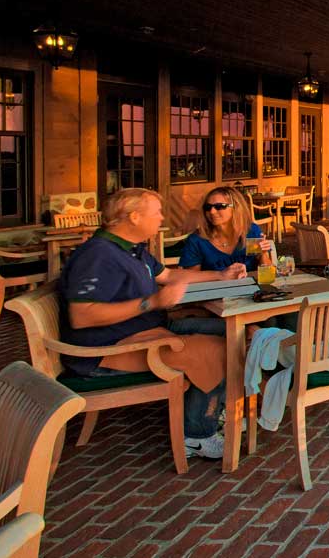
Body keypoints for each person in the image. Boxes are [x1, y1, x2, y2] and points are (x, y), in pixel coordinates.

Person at [59, 188, 242, 459]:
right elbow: (82, 315)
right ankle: (196, 434)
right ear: (134, 217)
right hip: (108, 352)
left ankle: (213, 409)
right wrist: (152, 303)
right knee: (218, 348)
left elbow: (168, 275)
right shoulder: (98, 255)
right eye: (156, 212)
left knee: (236, 332)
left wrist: (220, 275)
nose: (161, 217)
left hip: (145, 331)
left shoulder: (131, 249)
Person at [170, 186, 276, 336]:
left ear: (236, 208)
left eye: (219, 206)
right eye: (208, 207)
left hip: (249, 301)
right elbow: (190, 284)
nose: (212, 212)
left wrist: (263, 254)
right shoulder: (198, 241)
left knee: (273, 320)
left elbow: (268, 278)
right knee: (255, 329)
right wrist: (220, 275)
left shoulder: (250, 232)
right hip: (213, 305)